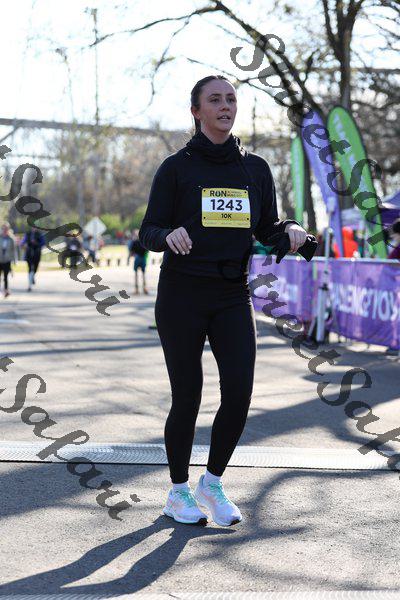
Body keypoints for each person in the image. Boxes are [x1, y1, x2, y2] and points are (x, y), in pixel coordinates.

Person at [139, 75, 309, 527]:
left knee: (239, 392)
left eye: (231, 98)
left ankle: (211, 484)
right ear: (196, 111)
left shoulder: (255, 169)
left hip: (233, 294)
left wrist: (291, 230)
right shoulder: (176, 168)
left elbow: (267, 227)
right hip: (182, 294)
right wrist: (167, 234)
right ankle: (178, 492)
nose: (225, 106)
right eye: (214, 99)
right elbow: (148, 230)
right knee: (188, 395)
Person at [20, 226, 46, 292]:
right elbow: (23, 241)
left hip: (37, 253)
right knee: (29, 268)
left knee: (35, 267)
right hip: (29, 253)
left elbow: (43, 243)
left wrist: (37, 243)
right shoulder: (28, 234)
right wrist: (23, 244)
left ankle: (32, 276)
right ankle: (29, 284)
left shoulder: (40, 234)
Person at [128, 229, 149, 294]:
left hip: (137, 258)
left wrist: (129, 258)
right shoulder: (144, 241)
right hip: (143, 258)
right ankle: (145, 288)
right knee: (143, 274)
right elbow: (147, 250)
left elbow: (131, 251)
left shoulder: (134, 242)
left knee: (136, 274)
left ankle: (136, 289)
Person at [0, 222, 16, 298]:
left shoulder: (11, 239)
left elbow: (13, 251)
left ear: (8, 229)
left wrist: (14, 260)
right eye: (3, 229)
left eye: (6, 229)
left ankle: (6, 290)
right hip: (0, 259)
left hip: (7, 260)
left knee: (5, 276)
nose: (4, 230)